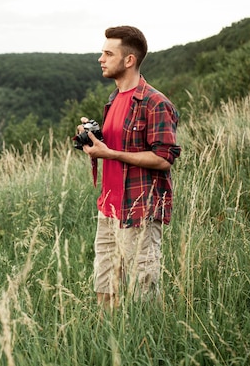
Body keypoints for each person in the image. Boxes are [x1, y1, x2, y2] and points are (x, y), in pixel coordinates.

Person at [77, 25, 181, 310]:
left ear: (129, 60)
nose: (101, 58)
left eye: (108, 53)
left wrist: (110, 152)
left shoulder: (155, 103)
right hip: (108, 209)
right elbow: (114, 150)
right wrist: (92, 142)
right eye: (102, 52)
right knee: (105, 291)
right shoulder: (113, 100)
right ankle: (107, 350)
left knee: (142, 295)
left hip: (140, 211)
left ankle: (149, 350)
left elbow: (163, 158)